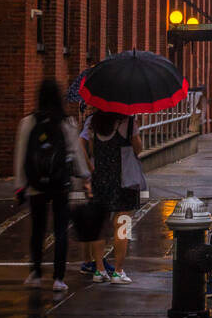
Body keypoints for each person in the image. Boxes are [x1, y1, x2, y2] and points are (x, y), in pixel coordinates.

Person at [13, 79, 91, 293]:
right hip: (60, 184)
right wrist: (84, 178)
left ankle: (36, 273)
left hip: (36, 184)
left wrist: (20, 186)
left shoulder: (28, 122)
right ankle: (58, 278)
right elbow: (75, 153)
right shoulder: (67, 122)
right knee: (60, 230)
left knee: (37, 229)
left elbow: (22, 155)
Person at [85, 110, 143, 284]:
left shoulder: (92, 121)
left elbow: (90, 148)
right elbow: (138, 149)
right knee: (122, 225)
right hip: (123, 180)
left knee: (99, 225)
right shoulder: (128, 121)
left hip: (99, 179)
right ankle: (118, 271)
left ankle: (99, 270)